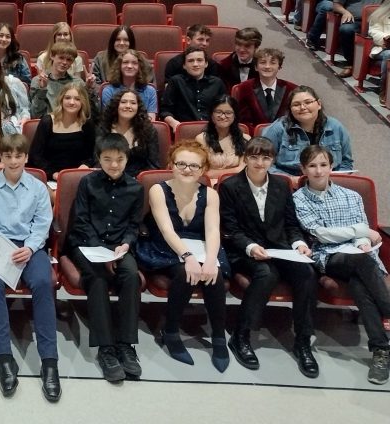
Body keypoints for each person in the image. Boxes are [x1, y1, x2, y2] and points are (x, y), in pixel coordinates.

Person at [218, 137, 319, 377]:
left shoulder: (281, 185)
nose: (259, 162)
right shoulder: (231, 186)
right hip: (244, 250)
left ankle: (303, 340)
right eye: (254, 157)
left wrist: (299, 243)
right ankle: (241, 335)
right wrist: (251, 246)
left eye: (265, 158)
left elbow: (291, 223)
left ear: (272, 160)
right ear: (246, 158)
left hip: (279, 247)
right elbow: (230, 229)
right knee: (266, 273)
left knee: (306, 273)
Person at [293, 144, 390, 385]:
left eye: (323, 165)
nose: (318, 171)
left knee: (359, 284)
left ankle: (381, 350)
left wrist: (362, 239)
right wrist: (360, 231)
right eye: (312, 166)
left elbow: (364, 231)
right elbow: (321, 234)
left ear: (331, 167)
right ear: (303, 169)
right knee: (360, 263)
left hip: (360, 255)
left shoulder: (351, 196)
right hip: (328, 257)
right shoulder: (298, 198)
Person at [0, 134, 60, 401]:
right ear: (1, 157)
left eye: (17, 156)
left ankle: (49, 362)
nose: (12, 161)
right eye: (7, 156)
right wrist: (3, 246)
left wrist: (31, 247)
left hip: (29, 247)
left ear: (25, 158)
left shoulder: (37, 188)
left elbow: (43, 223)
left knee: (44, 283)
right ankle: (4, 358)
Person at [135, 141, 230, 372]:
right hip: (165, 245)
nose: (187, 169)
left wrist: (210, 260)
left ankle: (219, 337)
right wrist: (188, 257)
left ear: (203, 170)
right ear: (171, 165)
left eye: (194, 166)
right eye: (181, 164)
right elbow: (166, 230)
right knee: (184, 273)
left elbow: (212, 231)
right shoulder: (158, 189)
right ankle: (170, 331)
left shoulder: (210, 194)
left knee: (214, 276)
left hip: (200, 246)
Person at [65, 133, 145, 383]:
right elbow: (81, 221)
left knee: (131, 276)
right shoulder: (88, 183)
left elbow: (134, 226)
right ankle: (106, 348)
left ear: (126, 159)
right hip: (86, 244)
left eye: (119, 159)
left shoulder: (136, 187)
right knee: (97, 278)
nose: (113, 164)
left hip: (119, 247)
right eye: (107, 159)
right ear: (98, 159)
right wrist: (101, 251)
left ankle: (126, 344)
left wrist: (125, 244)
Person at [260, 86, 354, 175]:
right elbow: (263, 162)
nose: (302, 107)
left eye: (308, 102)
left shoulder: (336, 127)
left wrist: (335, 181)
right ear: (290, 109)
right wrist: (289, 180)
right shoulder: (278, 129)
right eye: (296, 104)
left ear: (319, 104)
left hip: (330, 184)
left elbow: (346, 162)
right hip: (289, 184)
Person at [29, 82, 96, 181]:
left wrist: (85, 165)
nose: (72, 102)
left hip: (78, 177)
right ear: (61, 100)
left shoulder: (87, 124)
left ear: (83, 102)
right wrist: (53, 174)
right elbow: (35, 156)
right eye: (67, 98)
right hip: (50, 177)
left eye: (77, 99)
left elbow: (91, 154)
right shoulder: (47, 122)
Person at [308, 0, 381, 78]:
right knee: (346, 29)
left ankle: (377, 67)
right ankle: (351, 63)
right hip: (354, 19)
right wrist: (345, 12)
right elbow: (336, 5)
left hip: (378, 22)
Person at [160, 46, 227, 130]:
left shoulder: (217, 83)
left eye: (199, 60)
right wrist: (175, 124)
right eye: (190, 61)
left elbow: (225, 109)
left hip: (212, 131)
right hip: (184, 131)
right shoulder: (176, 81)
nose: (195, 64)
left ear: (206, 64)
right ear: (184, 65)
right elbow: (165, 111)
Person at [230, 48, 299, 128]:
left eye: (272, 63)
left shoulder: (291, 89)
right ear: (256, 67)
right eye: (263, 62)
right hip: (254, 137)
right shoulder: (244, 88)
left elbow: (295, 119)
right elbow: (243, 121)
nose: (267, 66)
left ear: (279, 67)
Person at [99, 88, 160, 177]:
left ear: (138, 107)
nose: (128, 106)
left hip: (138, 182)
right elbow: (98, 161)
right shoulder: (104, 128)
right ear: (116, 105)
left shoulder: (148, 130)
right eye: (123, 102)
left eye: (133, 103)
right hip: (108, 178)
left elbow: (153, 165)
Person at [194, 95, 250, 180]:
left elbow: (245, 171)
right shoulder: (201, 140)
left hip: (237, 185)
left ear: (235, 116)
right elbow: (203, 174)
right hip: (211, 185)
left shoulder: (245, 139)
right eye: (218, 112)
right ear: (212, 115)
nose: (223, 116)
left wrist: (216, 172)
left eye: (228, 113)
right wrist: (236, 170)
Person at [100, 50, 158, 121]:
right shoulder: (108, 91)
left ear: (140, 67)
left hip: (143, 130)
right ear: (119, 66)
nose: (129, 66)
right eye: (125, 62)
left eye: (134, 63)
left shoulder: (150, 91)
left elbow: (151, 121)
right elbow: (109, 120)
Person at [30, 42, 79, 118]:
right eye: (61, 58)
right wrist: (42, 89)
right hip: (46, 125)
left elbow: (87, 114)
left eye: (69, 60)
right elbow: (35, 114)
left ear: (72, 62)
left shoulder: (77, 83)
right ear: (52, 56)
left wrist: (90, 90)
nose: (64, 62)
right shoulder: (38, 81)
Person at [368, 2, 390, 106]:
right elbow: (373, 32)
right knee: (389, 55)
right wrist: (386, 38)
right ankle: (384, 90)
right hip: (382, 48)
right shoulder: (379, 14)